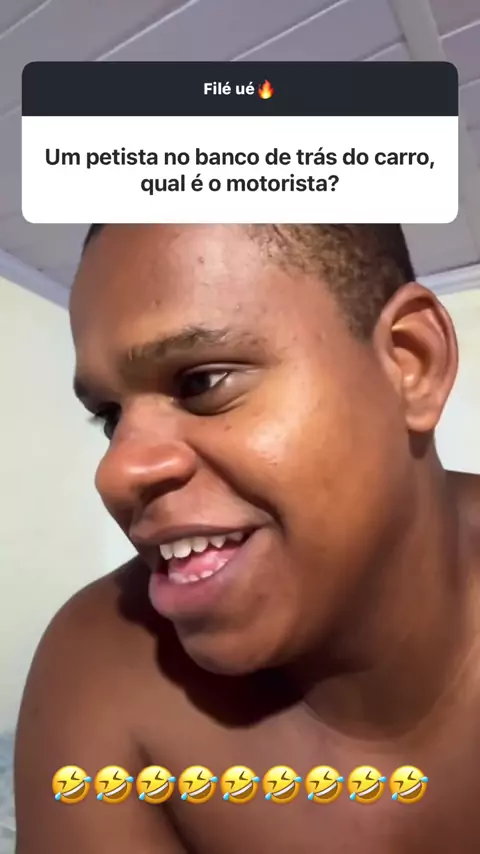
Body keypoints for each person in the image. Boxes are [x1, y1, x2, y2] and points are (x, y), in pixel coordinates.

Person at [14, 224, 480, 853]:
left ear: (411, 362)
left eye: (202, 382)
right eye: (111, 417)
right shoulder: (103, 669)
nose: (117, 473)